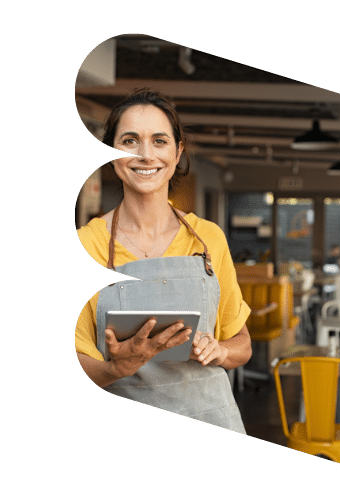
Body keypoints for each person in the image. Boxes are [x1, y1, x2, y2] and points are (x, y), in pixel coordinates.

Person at [76, 90, 252, 433]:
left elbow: (241, 343)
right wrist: (115, 368)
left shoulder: (208, 238)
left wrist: (218, 351)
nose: (145, 155)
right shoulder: (88, 243)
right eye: (130, 140)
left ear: (177, 152)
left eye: (159, 141)